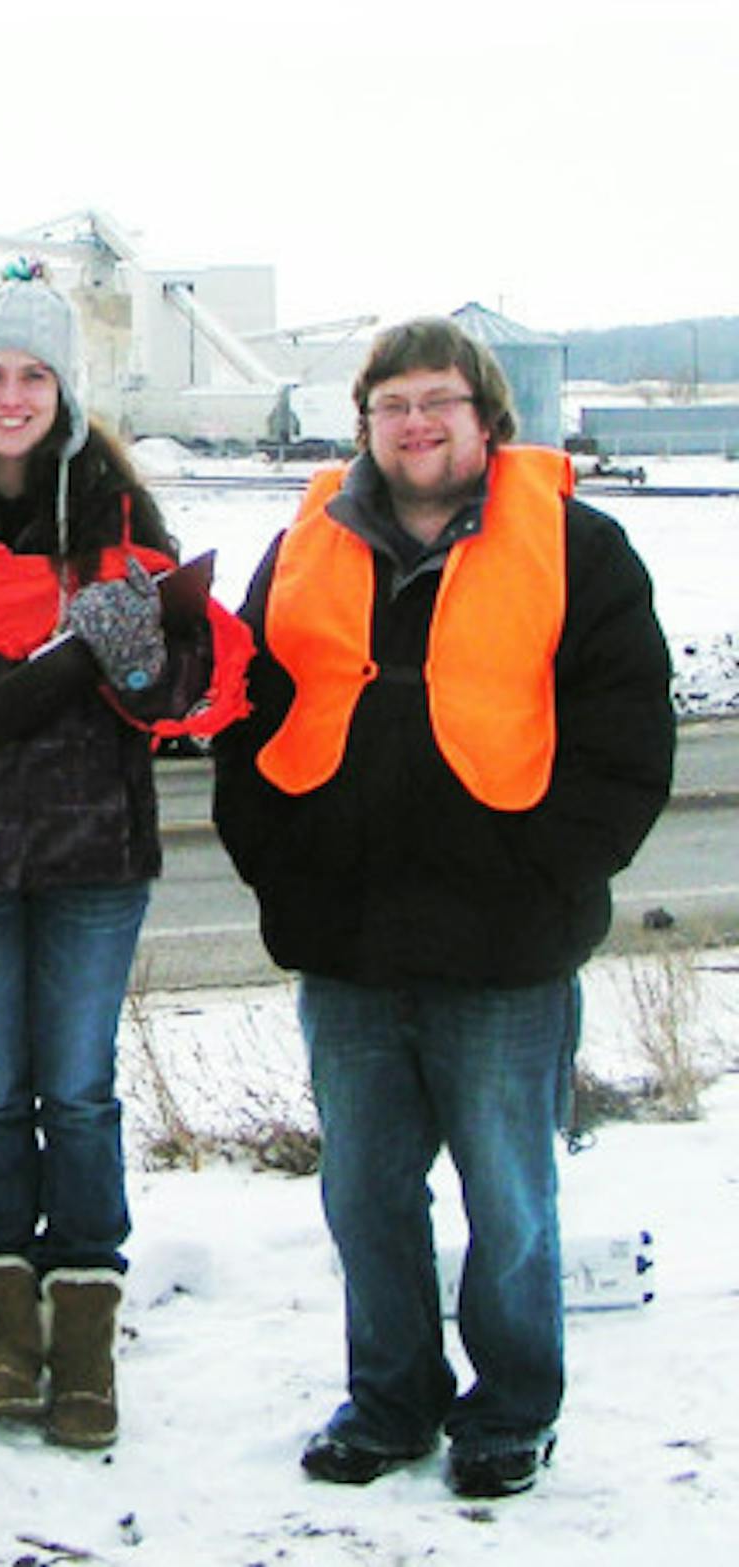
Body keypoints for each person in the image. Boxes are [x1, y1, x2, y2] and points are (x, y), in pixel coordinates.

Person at [211, 317, 675, 1498]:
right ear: (363, 423)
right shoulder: (304, 546)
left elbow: (626, 743)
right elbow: (246, 717)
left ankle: (512, 1408)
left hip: (508, 948)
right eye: (393, 405)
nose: (416, 425)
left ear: (485, 417)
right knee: (365, 1197)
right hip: (349, 944)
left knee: (510, 1199)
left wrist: (547, 876)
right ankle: (391, 1400)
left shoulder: (581, 547)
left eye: (440, 401)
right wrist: (282, 866)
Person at [0, 265, 250, 1450]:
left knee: (77, 1095)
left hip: (93, 862)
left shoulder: (118, 518)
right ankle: (1, 1324)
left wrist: (129, 658)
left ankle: (84, 1329)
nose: (10, 396)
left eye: (33, 375)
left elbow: (183, 691)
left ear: (64, 391)